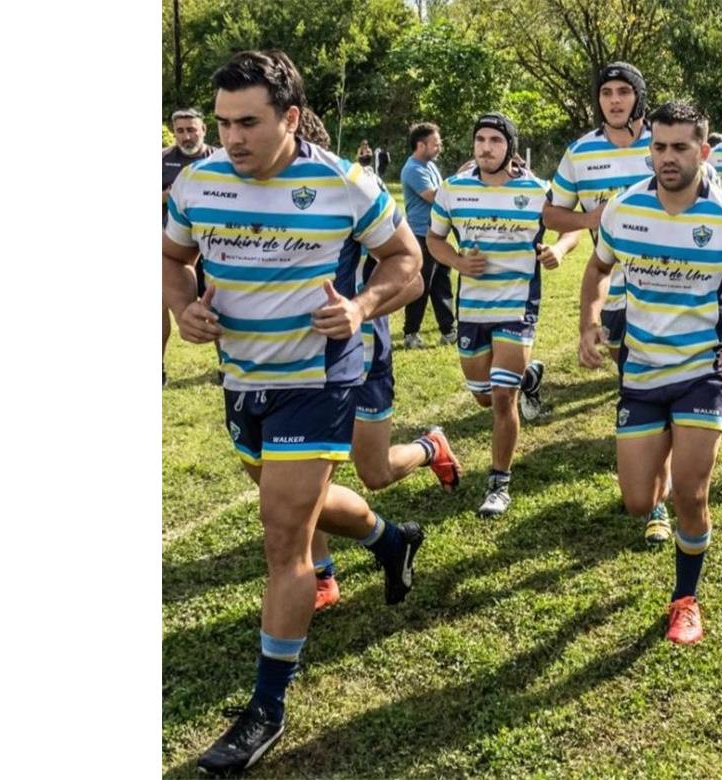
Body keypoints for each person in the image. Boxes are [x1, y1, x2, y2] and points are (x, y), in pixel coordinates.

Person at [164, 50, 426, 775]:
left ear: (289, 117)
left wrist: (363, 304)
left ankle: (265, 707)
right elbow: (170, 258)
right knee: (288, 501)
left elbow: (406, 262)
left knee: (284, 536)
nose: (231, 139)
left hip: (320, 374)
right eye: (221, 123)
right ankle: (388, 539)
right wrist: (184, 307)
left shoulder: (344, 182)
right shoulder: (198, 180)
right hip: (243, 377)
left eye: (247, 122)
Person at [577, 100, 722, 645]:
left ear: (704, 149)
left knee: (692, 496)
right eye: (659, 147)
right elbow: (598, 267)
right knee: (638, 502)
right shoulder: (624, 210)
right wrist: (588, 322)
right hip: (641, 373)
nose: (667, 158)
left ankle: (684, 599)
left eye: (680, 147)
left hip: (703, 371)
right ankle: (660, 474)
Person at [294, 105, 461, 611]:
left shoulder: (356, 197)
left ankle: (430, 447)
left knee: (374, 473)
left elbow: (411, 285)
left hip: (362, 355)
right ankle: (322, 575)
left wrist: (359, 312)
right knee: (301, 475)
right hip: (293, 362)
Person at [428, 113, 581, 517]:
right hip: (473, 307)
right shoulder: (452, 189)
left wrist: (558, 251)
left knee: (501, 397)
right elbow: (434, 239)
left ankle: (499, 485)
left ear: (510, 147)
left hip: (517, 304)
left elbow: (570, 226)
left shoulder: (536, 190)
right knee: (482, 395)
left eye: (495, 140)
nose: (486, 147)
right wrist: (458, 263)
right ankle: (529, 377)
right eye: (480, 139)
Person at [545, 62, 673, 542]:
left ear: (638, 97)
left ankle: (659, 502)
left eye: (623, 92)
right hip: (612, 289)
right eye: (606, 93)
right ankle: (655, 473)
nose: (614, 100)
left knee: (660, 386)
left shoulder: (659, 143)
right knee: (633, 381)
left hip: (667, 288)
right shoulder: (580, 153)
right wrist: (588, 219)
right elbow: (551, 210)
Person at [162, 108, 216, 386]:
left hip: (213, 246)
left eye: (191, 129)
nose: (186, 136)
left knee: (220, 303)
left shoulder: (220, 159)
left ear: (203, 130)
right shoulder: (161, 159)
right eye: (180, 130)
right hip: (169, 248)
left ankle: (226, 366)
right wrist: (169, 195)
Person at [399, 122, 455, 350]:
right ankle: (410, 333)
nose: (439, 147)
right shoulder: (413, 169)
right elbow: (434, 196)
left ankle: (448, 331)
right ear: (421, 145)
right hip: (421, 236)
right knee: (420, 285)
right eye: (435, 143)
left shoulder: (429, 166)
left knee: (442, 282)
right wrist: (459, 181)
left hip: (437, 234)